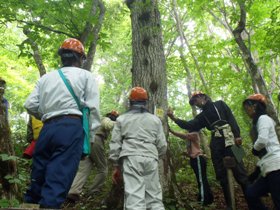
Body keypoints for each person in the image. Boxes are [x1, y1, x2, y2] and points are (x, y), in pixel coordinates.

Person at [24, 38, 100, 209]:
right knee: (59, 175)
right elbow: (93, 110)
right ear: (80, 58)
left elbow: (29, 104)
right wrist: (91, 139)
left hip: (47, 129)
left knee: (39, 175)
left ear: (62, 57)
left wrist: (47, 114)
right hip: (71, 128)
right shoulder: (86, 76)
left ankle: (30, 204)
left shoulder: (46, 78)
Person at [167, 91, 250, 210]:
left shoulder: (220, 104)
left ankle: (254, 204)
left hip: (231, 138)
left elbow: (231, 118)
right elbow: (189, 125)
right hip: (216, 143)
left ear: (203, 97)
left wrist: (237, 135)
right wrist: (173, 118)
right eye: (193, 103)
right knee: (222, 176)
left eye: (195, 100)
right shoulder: (202, 117)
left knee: (242, 175)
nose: (195, 104)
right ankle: (230, 206)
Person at [109, 86, 167, 210]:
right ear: (146, 102)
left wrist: (115, 164)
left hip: (131, 158)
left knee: (134, 198)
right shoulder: (155, 120)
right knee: (154, 198)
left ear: (130, 101)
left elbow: (115, 144)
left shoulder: (121, 119)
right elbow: (162, 145)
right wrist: (157, 156)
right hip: (151, 157)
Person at [66, 110, 119, 203]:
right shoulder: (104, 119)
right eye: (114, 116)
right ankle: (93, 191)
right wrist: (123, 123)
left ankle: (73, 192)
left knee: (83, 169)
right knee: (103, 168)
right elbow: (108, 125)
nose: (114, 117)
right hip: (96, 140)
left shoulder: (96, 120)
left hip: (87, 141)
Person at [243, 93, 280, 210]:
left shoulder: (263, 118)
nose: (246, 110)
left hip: (276, 167)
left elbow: (262, 140)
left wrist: (254, 149)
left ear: (255, 106)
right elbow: (265, 153)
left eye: (247, 107)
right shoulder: (259, 121)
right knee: (251, 193)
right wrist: (256, 172)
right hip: (268, 168)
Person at [168, 128, 213, 206]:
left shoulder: (195, 134)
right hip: (194, 159)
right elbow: (191, 150)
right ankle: (208, 198)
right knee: (201, 179)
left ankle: (203, 201)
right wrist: (186, 153)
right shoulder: (189, 139)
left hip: (198, 159)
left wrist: (172, 131)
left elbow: (183, 136)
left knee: (201, 180)